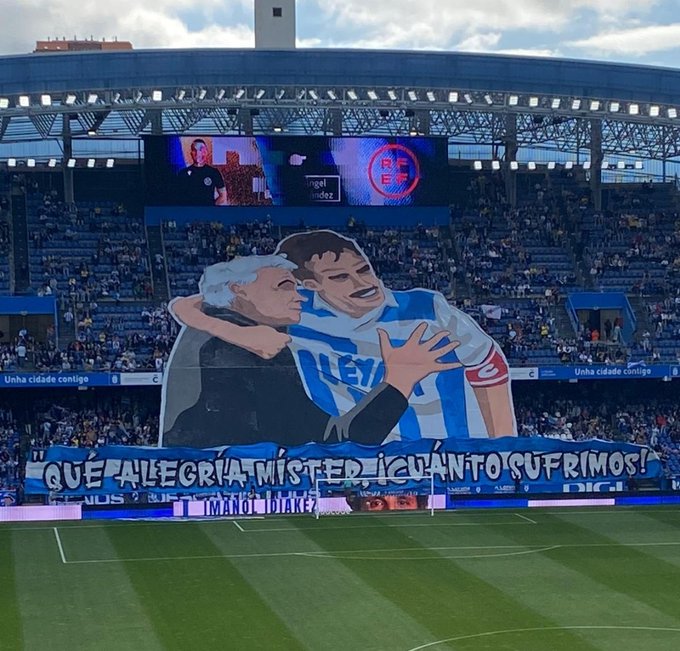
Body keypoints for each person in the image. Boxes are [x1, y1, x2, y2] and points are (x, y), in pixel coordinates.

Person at [172, 231, 517, 441]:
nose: (363, 283)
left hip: (441, 454)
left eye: (363, 269)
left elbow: (489, 363)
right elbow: (196, 302)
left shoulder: (426, 309)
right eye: (339, 277)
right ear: (312, 287)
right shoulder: (297, 311)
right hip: (362, 453)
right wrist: (241, 334)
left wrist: (503, 443)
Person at [177, 139, 227, 206]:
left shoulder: (214, 172)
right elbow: (177, 197)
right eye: (195, 150)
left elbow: (223, 196)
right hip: (188, 214)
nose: (198, 153)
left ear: (206, 152)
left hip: (207, 215)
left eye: (201, 150)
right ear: (191, 153)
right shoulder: (183, 173)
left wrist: (210, 207)